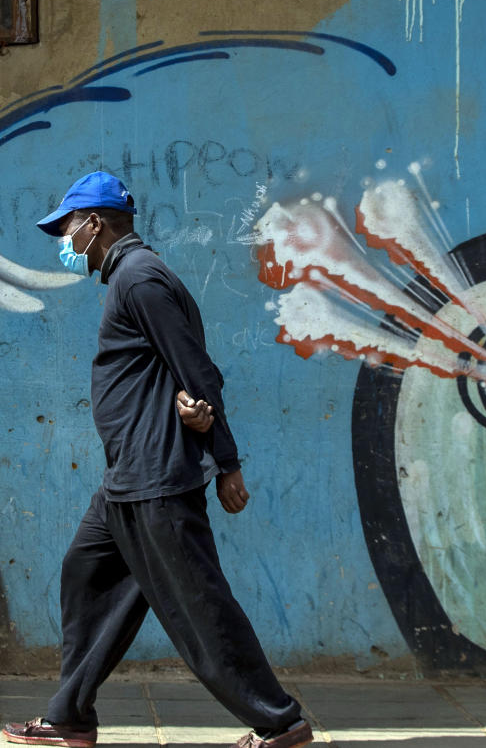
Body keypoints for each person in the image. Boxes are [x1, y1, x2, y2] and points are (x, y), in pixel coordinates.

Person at [2, 172, 313, 748]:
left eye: (67, 228)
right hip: (128, 477)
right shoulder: (129, 277)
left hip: (155, 477)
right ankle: (69, 716)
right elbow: (171, 375)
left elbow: (197, 369)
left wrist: (226, 461)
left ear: (94, 224)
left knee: (198, 604)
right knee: (86, 575)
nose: (63, 242)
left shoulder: (140, 279)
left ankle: (280, 722)